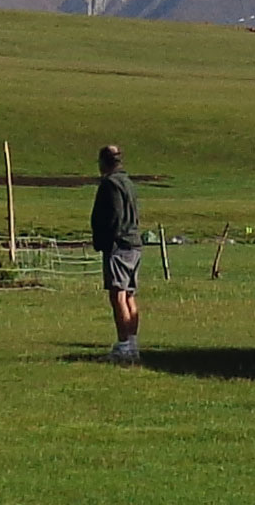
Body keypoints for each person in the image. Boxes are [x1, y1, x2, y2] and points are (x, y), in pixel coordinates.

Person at [91, 144, 143, 363]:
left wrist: (104, 241)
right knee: (129, 294)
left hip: (119, 245)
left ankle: (123, 345)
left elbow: (113, 216)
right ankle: (131, 343)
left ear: (104, 162)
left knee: (118, 294)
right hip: (134, 243)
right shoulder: (128, 183)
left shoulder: (110, 184)